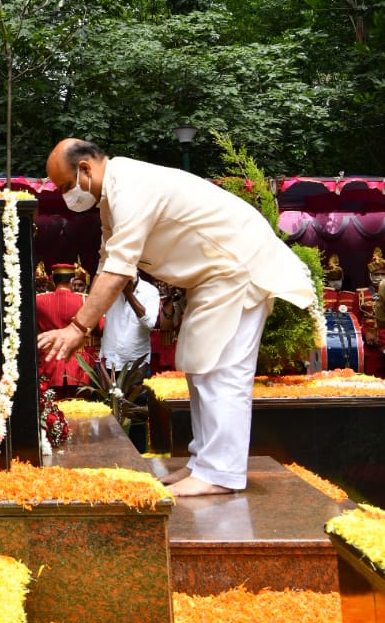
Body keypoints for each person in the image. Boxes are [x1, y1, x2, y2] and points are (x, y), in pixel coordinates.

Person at [39, 138, 316, 496]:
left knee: (223, 369)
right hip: (214, 277)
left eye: (65, 185)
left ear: (86, 168)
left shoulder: (130, 187)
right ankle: (204, 463)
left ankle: (222, 473)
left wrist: (78, 327)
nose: (66, 196)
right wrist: (78, 322)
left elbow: (119, 269)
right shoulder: (112, 196)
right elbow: (108, 260)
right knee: (201, 364)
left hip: (237, 266)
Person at [35, 261, 96, 394]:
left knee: (50, 405)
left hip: (49, 359)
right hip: (78, 361)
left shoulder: (38, 300)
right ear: (72, 280)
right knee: (79, 407)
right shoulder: (84, 300)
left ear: (52, 280)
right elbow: (101, 327)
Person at [102, 273, 161, 377]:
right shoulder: (109, 289)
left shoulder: (150, 291)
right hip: (110, 361)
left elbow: (150, 323)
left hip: (136, 364)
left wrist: (129, 295)